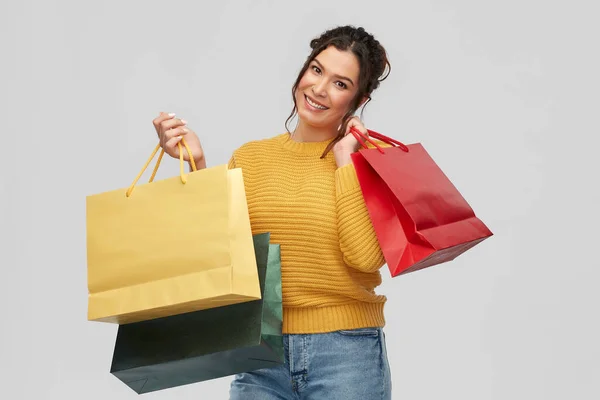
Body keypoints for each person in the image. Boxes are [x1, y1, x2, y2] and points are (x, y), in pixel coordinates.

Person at [153, 25, 392, 400]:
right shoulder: (251, 157)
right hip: (261, 353)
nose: (319, 89)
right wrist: (196, 162)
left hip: (347, 355)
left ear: (359, 99)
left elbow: (365, 259)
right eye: (316, 70)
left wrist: (345, 159)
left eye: (340, 84)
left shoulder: (370, 160)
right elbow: (223, 251)